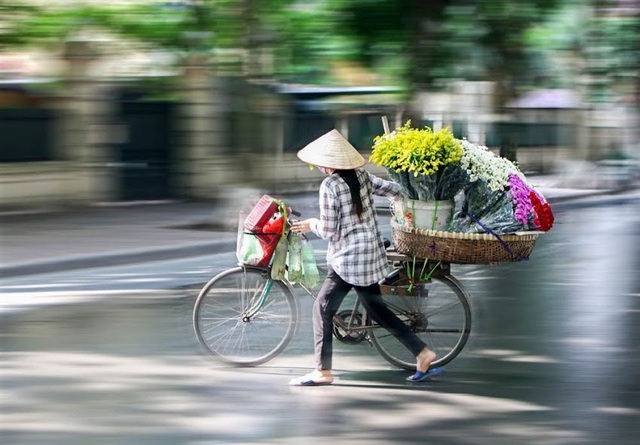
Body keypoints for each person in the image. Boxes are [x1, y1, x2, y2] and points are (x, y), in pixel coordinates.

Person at [289, 129, 438, 386]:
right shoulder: (362, 175)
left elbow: (329, 230)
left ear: (327, 162)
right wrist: (411, 205)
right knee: (376, 309)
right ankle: (422, 352)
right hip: (371, 254)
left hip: (348, 259)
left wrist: (311, 223)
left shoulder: (330, 185)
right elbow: (394, 189)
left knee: (322, 309)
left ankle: (323, 371)